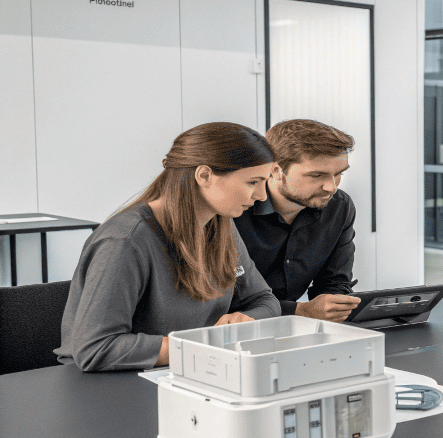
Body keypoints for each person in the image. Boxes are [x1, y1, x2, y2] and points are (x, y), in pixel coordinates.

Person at [56, 122, 282, 371]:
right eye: (253, 182)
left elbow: (265, 300)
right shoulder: (124, 242)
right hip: (108, 384)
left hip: (186, 369)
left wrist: (247, 319)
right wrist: (202, 346)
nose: (262, 196)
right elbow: (96, 348)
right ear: (204, 175)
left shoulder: (221, 226)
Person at [234, 119, 361, 322]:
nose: (331, 187)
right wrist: (299, 311)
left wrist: (335, 307)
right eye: (317, 175)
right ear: (275, 171)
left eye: (338, 174)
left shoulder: (339, 206)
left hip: (296, 328)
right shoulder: (233, 210)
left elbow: (334, 284)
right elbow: (224, 302)